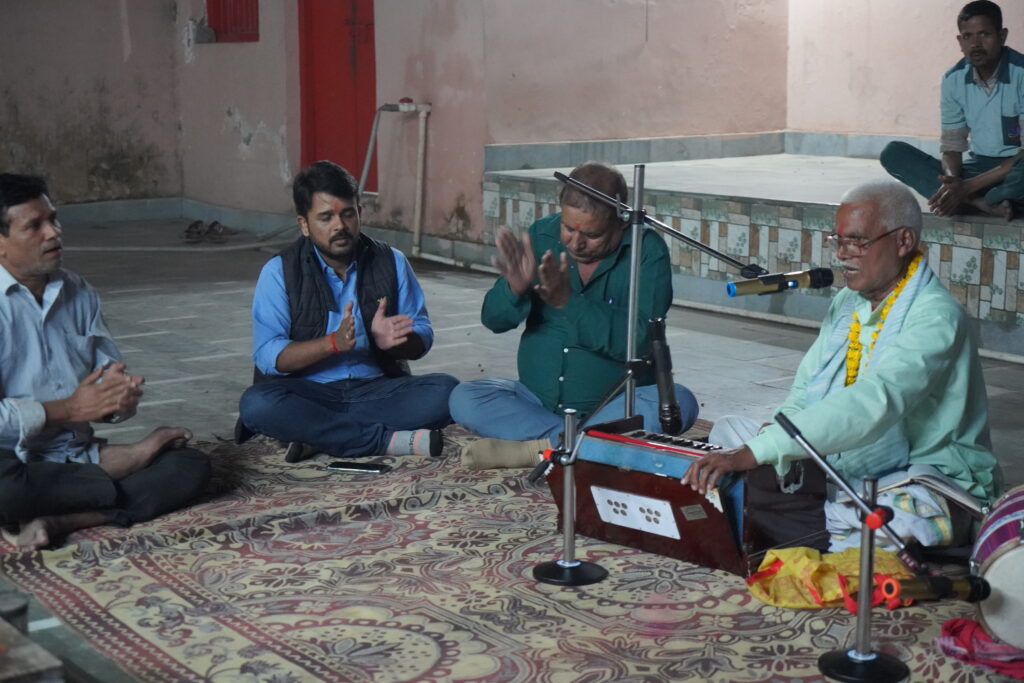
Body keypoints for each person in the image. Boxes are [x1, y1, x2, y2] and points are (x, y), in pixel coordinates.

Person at [682, 180, 1001, 551]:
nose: (843, 255)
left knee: (892, 525)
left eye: (857, 242)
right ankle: (792, 511)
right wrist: (775, 437)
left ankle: (788, 515)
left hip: (923, 477)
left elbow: (873, 403)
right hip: (842, 465)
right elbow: (805, 391)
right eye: (838, 241)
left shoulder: (935, 316)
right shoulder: (848, 304)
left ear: (903, 241)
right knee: (731, 431)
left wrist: (758, 454)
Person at [0, 173, 211, 551]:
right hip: (16, 463)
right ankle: (118, 467)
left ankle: (64, 517)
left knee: (191, 467)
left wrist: (118, 400)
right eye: (35, 226)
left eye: (54, 219)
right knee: (6, 488)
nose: (53, 233)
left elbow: (107, 387)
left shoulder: (78, 291)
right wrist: (65, 409)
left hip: (74, 456)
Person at [449, 161, 699, 468]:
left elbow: (638, 343)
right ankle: (581, 445)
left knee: (679, 403)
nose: (576, 242)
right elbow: (494, 320)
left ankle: (542, 448)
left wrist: (568, 302)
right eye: (568, 228)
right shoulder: (542, 235)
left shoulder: (646, 251)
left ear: (621, 222)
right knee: (465, 397)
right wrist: (512, 291)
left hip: (616, 405)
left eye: (592, 235)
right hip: (536, 402)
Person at [237, 161, 458, 462]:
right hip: (309, 394)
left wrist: (397, 341)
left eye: (348, 214)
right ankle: (383, 441)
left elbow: (422, 334)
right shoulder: (279, 271)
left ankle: (320, 437)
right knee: (257, 404)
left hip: (377, 391)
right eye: (325, 217)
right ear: (303, 224)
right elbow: (269, 356)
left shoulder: (391, 261)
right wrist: (332, 344)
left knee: (447, 391)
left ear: (359, 213)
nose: (339, 226)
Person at [880, 1, 1024, 220]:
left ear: (1002, 36)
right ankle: (983, 203)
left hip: (1015, 167)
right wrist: (953, 184)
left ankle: (981, 199)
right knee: (894, 153)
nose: (976, 44)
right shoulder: (953, 79)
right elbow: (952, 147)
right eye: (967, 36)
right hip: (981, 168)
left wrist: (968, 186)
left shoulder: (1021, 73)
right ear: (960, 41)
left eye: (984, 34)